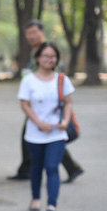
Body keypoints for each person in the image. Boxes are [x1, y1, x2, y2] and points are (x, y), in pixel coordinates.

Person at [8, 19, 84, 183]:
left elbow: (55, 76)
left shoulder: (47, 50)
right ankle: (28, 168)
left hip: (50, 104)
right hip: (36, 102)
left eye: (34, 32)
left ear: (42, 33)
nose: (31, 36)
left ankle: (31, 170)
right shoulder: (34, 51)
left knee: (50, 136)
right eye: (28, 33)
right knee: (38, 135)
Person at [18, 42, 73, 211]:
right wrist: (38, 122)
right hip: (35, 133)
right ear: (38, 58)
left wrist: (65, 120)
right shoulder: (28, 80)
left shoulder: (62, 80)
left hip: (57, 133)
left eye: (53, 56)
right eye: (45, 56)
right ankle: (35, 198)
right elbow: (24, 104)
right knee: (36, 167)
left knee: (52, 167)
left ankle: (52, 204)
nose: (49, 59)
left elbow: (69, 102)